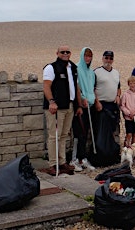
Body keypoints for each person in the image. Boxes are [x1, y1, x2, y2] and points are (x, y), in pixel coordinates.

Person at [42, 45, 78, 176]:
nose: (65, 53)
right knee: (54, 136)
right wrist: (51, 101)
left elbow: (75, 87)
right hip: (55, 108)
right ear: (57, 53)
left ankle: (62, 162)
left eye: (68, 51)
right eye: (62, 52)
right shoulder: (51, 67)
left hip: (69, 106)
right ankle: (52, 164)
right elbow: (46, 86)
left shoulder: (73, 67)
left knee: (64, 135)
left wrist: (78, 105)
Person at [70, 47, 96, 172]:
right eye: (85, 55)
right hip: (79, 106)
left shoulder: (91, 72)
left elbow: (91, 87)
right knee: (78, 132)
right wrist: (81, 99)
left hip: (89, 106)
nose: (87, 58)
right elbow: (77, 86)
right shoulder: (76, 68)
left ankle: (82, 158)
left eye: (90, 56)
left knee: (85, 133)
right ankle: (74, 159)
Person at [94, 51, 121, 145]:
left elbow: (118, 87)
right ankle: (100, 152)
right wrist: (97, 102)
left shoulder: (116, 72)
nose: (108, 60)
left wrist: (118, 96)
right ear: (102, 58)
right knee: (100, 130)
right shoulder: (96, 72)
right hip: (101, 105)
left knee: (113, 129)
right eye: (106, 58)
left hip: (112, 105)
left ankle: (111, 151)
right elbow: (92, 89)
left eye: (111, 58)